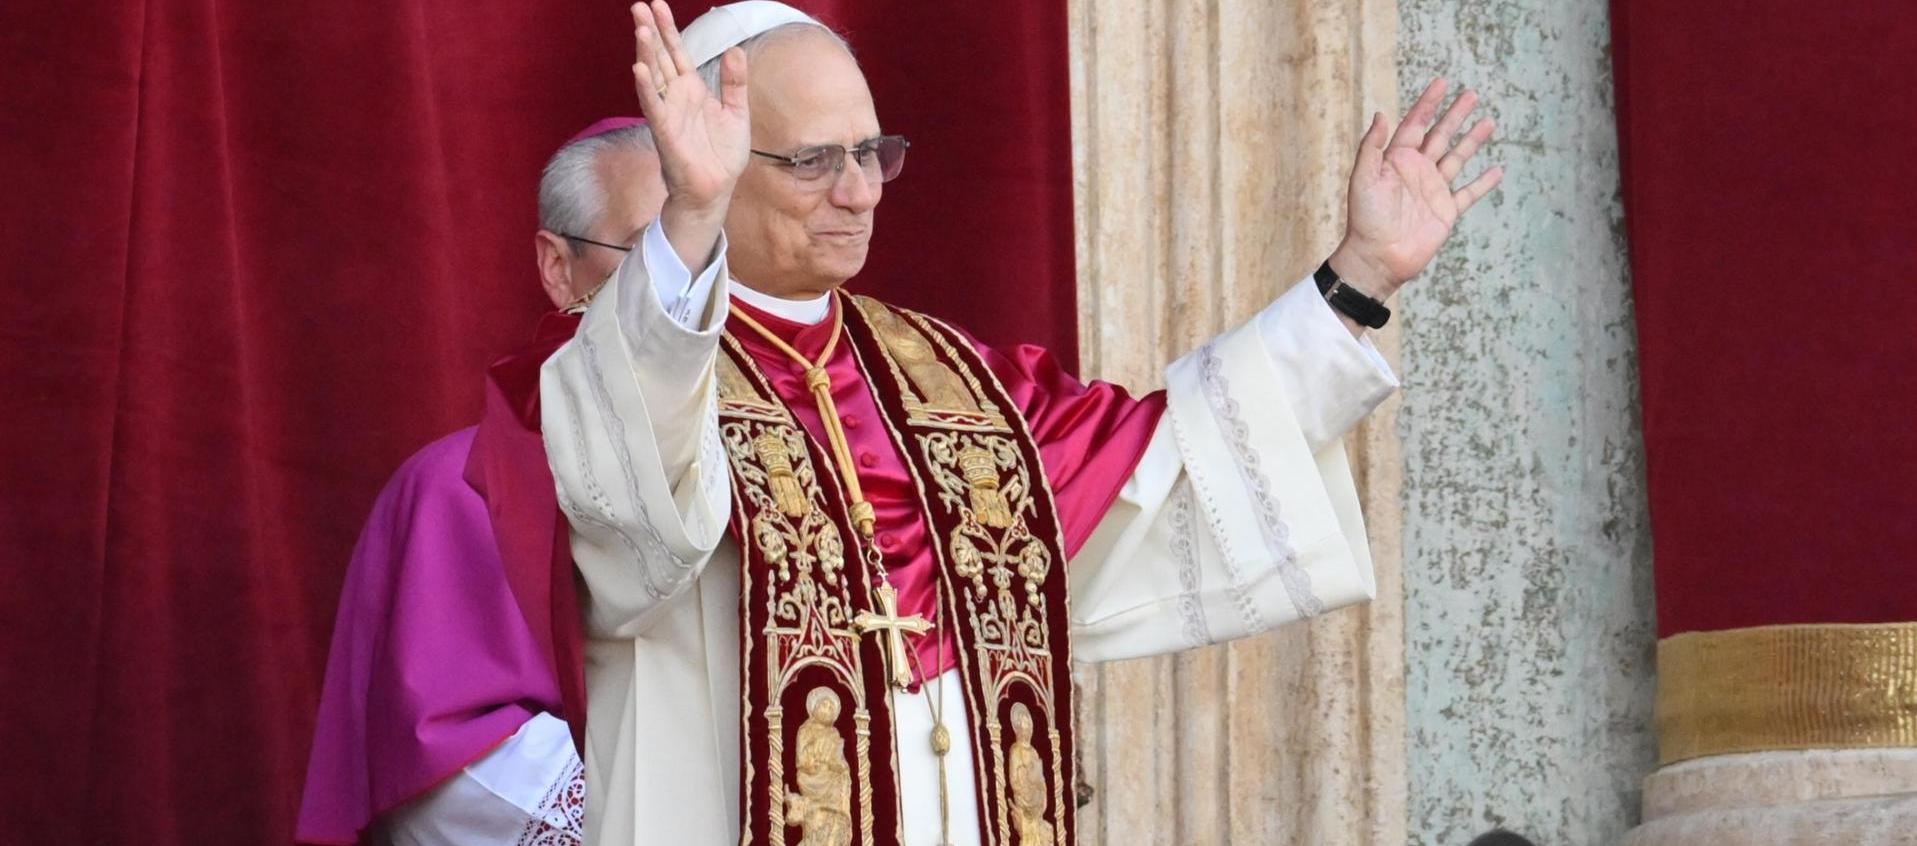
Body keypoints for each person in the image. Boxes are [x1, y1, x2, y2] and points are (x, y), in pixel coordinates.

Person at [543, 2, 1503, 844]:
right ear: (709, 159)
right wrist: (691, 221)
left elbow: (1178, 458)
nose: (860, 191)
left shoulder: (958, 385)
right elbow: (630, 515)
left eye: (872, 154)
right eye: (812, 162)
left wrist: (1360, 277)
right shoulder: (640, 355)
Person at [294, 119, 666, 846]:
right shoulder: (463, 488)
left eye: (716, 254)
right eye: (655, 250)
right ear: (559, 268)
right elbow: (448, 774)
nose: (691, 289)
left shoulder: (804, 470)